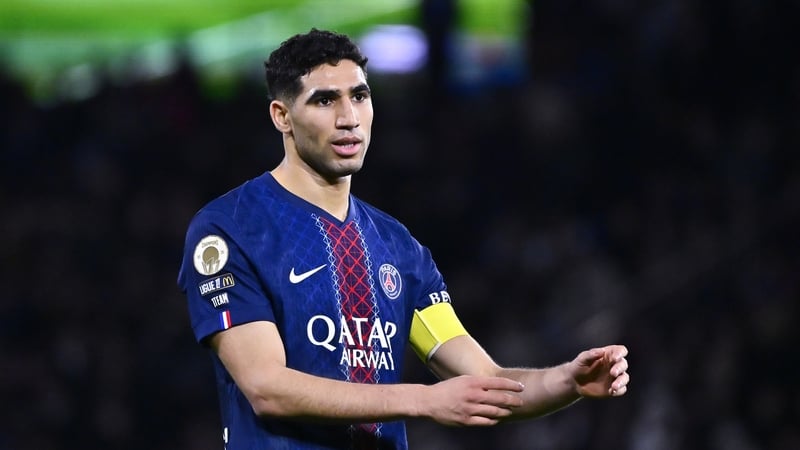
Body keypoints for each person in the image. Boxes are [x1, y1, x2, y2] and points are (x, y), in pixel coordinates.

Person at [178, 28, 630, 450]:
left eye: (359, 96)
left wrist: (567, 382)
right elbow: (266, 387)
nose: (348, 118)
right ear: (283, 116)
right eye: (325, 100)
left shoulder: (398, 248)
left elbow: (486, 380)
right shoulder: (230, 228)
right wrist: (424, 399)